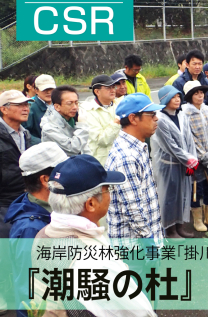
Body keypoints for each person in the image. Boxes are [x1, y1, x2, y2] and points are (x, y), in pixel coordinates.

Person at [34, 154, 159, 317]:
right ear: (91, 204)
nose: (110, 195)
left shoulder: (43, 234)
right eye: (107, 189)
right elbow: (137, 315)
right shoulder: (88, 259)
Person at [5, 142, 67, 317]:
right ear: (45, 179)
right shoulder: (31, 228)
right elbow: (27, 287)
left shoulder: (47, 209)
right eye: (63, 172)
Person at [105, 93, 165, 243]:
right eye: (151, 114)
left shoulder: (137, 147)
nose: (156, 118)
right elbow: (133, 209)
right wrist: (149, 241)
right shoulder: (126, 157)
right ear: (133, 119)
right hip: (136, 248)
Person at [0, 90, 32, 317]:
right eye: (19, 105)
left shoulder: (25, 134)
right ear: (4, 108)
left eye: (27, 104)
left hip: (24, 195)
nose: (25, 108)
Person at [152, 86, 199, 239]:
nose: (177, 100)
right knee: (169, 196)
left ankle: (180, 225)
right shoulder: (160, 119)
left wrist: (193, 158)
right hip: (168, 165)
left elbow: (189, 139)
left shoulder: (182, 115)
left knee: (183, 194)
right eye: (173, 97)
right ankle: (169, 229)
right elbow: (170, 146)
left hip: (184, 163)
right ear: (165, 99)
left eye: (179, 96)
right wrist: (188, 159)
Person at [182, 81, 208, 231]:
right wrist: (199, 155)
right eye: (196, 93)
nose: (200, 96)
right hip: (194, 159)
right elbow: (187, 138)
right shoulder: (184, 114)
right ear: (189, 97)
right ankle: (197, 221)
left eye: (201, 93)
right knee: (195, 189)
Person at [79, 75, 122, 166]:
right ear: (97, 91)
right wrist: (117, 122)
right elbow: (102, 140)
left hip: (121, 158)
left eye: (113, 87)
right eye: (108, 88)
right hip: (101, 162)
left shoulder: (119, 105)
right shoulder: (88, 111)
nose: (112, 90)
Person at [41, 85, 91, 156]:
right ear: (57, 107)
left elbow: (85, 146)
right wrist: (82, 126)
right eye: (69, 103)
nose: (75, 107)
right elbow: (74, 148)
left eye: (76, 103)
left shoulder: (77, 118)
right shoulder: (49, 127)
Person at [23, 74, 56, 145]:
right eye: (45, 89)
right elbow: (24, 132)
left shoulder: (60, 104)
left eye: (51, 89)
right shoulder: (31, 108)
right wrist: (41, 143)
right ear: (36, 90)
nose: (49, 92)